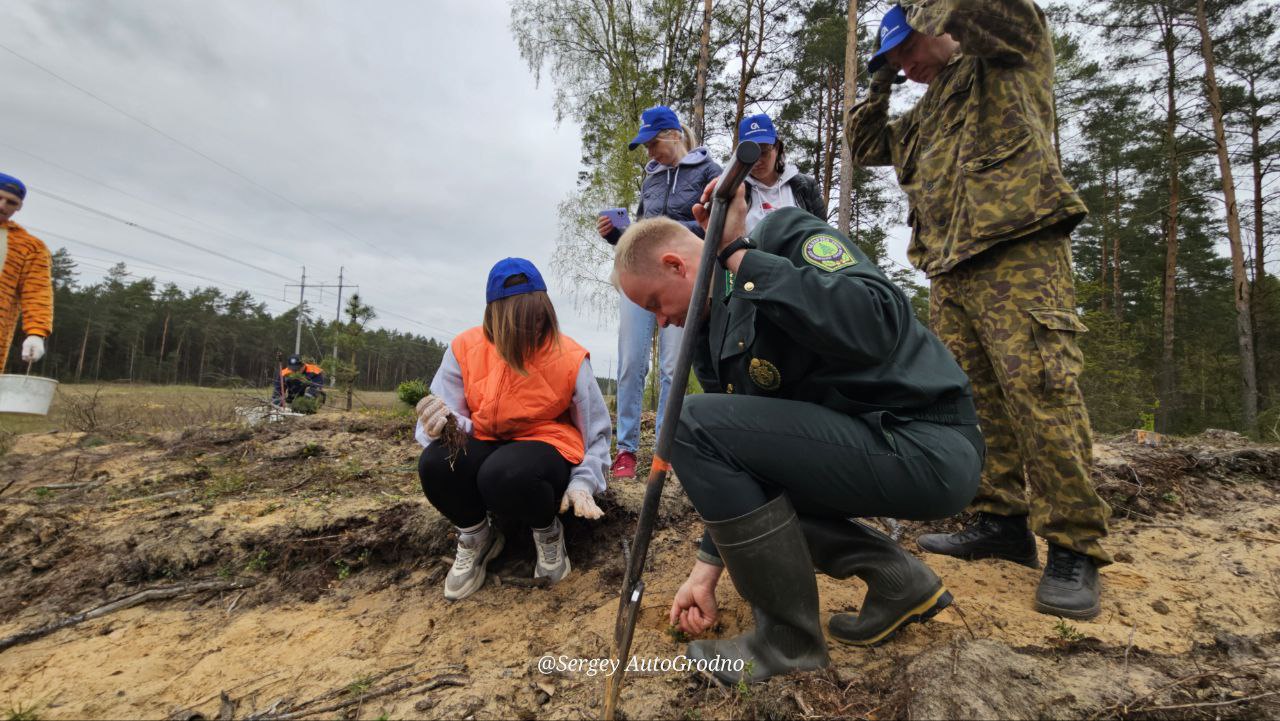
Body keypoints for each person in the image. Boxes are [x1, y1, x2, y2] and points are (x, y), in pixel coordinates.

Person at [611, 185, 985, 683]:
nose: (661, 321)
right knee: (714, 439)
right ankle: (897, 580)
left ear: (677, 265)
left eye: (655, 302)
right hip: (863, 449)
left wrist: (740, 255)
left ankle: (787, 643)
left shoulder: (781, 238)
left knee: (686, 419)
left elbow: (877, 321)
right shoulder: (709, 338)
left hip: (926, 443)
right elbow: (741, 472)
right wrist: (706, 569)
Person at [845, 0, 1111, 621]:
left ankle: (1075, 546)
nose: (906, 65)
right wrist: (881, 71)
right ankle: (1001, 521)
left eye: (909, 49)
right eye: (894, 60)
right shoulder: (924, 114)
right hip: (952, 270)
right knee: (973, 401)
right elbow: (864, 144)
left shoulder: (1008, 58)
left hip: (1019, 254)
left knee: (1040, 394)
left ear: (939, 27)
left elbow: (986, 10)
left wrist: (922, 13)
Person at [414, 258, 611, 601]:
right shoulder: (465, 348)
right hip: (486, 439)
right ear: (496, 319)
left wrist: (583, 482)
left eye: (537, 319)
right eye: (520, 323)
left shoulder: (569, 358)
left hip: (544, 449)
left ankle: (548, 534)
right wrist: (439, 425)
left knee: (505, 473)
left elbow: (595, 432)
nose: (532, 330)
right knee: (435, 463)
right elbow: (450, 416)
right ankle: (476, 536)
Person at [597, 105, 722, 479]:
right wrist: (618, 236)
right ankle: (626, 451)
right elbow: (641, 233)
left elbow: (713, 228)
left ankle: (667, 451)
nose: (649, 153)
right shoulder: (649, 179)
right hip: (642, 278)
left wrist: (666, 229)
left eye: (652, 144)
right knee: (632, 361)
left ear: (673, 136)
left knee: (673, 367)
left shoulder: (710, 173)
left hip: (680, 282)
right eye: (646, 147)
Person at [0, 173, 53, 373]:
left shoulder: (29, 247)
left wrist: (36, 333)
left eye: (11, 202)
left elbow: (38, 292)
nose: (3, 206)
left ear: (19, 207)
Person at [737, 113, 827, 229]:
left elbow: (823, 234)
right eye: (750, 153)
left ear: (777, 147)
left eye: (764, 151)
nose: (757, 161)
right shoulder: (735, 191)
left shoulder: (805, 186)